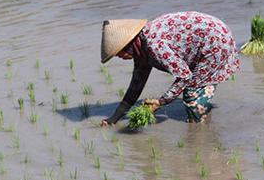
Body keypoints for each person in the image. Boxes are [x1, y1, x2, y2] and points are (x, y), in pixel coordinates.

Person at [100, 11, 240, 126]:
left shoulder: (153, 45)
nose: (118, 57)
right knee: (197, 87)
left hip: (215, 41)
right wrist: (114, 119)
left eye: (117, 53)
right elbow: (136, 84)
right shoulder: (140, 50)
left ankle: (199, 133)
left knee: (192, 95)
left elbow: (184, 76)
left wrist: (160, 102)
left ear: (127, 44)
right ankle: (203, 114)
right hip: (206, 41)